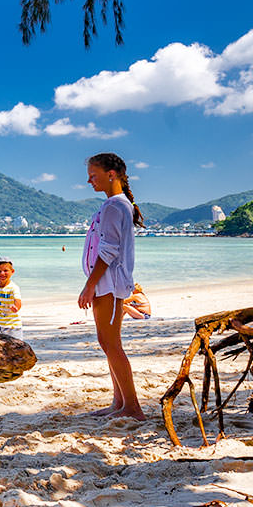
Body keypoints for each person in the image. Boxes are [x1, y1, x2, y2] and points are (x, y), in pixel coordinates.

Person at [80, 152, 145, 420]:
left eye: (93, 175)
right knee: (109, 342)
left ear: (111, 174)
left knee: (111, 343)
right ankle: (119, 403)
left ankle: (132, 406)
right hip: (110, 283)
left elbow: (108, 251)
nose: (88, 180)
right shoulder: (117, 204)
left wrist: (89, 285)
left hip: (108, 284)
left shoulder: (114, 206)